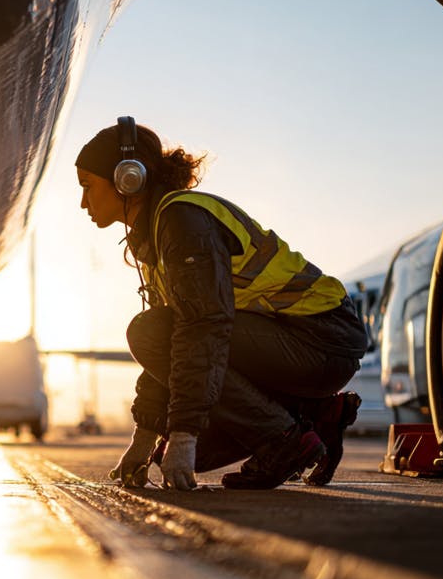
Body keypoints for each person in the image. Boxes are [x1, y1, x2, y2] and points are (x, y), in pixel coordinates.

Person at [76, 117, 367, 491]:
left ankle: (284, 441)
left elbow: (201, 329)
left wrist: (182, 432)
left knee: (148, 333)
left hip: (320, 339)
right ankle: (315, 415)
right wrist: (145, 440)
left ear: (127, 178)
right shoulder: (154, 237)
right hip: (287, 348)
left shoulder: (183, 221)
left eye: (87, 187)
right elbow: (172, 350)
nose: (83, 202)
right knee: (183, 456)